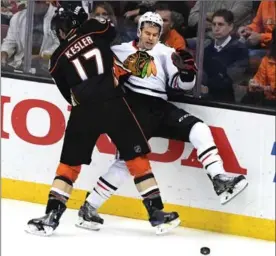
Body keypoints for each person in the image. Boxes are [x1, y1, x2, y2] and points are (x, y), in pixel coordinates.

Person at [75, 12, 249, 232]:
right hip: (132, 107)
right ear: (139, 31)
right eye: (147, 33)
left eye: (155, 34)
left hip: (159, 105)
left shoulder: (167, 52)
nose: (150, 38)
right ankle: (90, 207)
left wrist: (187, 73)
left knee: (198, 128)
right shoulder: (118, 51)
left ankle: (219, 179)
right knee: (128, 162)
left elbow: (180, 85)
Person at [25, 6, 177, 236]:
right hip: (113, 103)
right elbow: (112, 31)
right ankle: (156, 214)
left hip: (83, 111)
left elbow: (68, 95)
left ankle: (50, 217)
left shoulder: (55, 60)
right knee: (136, 157)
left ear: (59, 30)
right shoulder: (93, 28)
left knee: (69, 165)